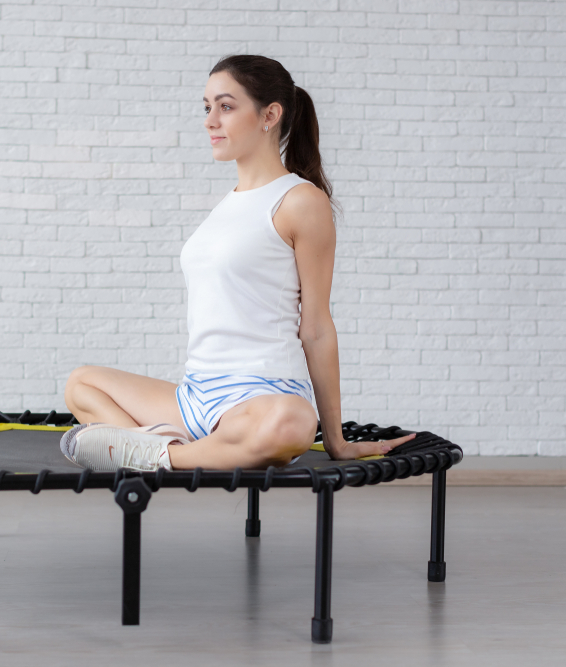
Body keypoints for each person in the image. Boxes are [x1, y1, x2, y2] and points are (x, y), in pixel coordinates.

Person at [60, 55, 415, 472]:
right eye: (206, 107)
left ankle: (155, 454)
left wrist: (335, 440)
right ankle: (160, 450)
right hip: (195, 397)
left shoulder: (301, 201)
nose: (210, 120)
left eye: (225, 106)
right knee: (81, 383)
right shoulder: (226, 204)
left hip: (264, 396)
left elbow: (316, 327)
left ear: (270, 114)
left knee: (290, 425)